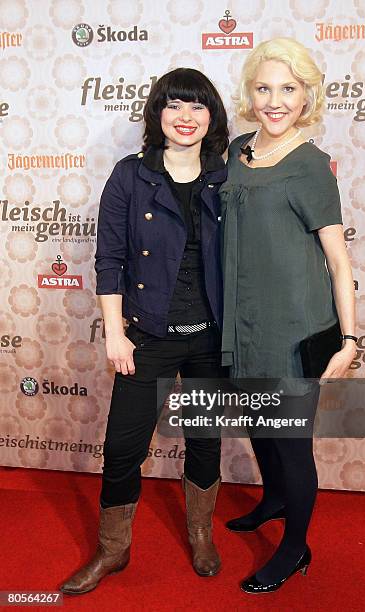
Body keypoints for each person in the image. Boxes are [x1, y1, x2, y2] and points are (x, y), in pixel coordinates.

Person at [60, 68, 229, 595]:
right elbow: (108, 257)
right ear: (158, 114)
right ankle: (113, 550)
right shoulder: (130, 175)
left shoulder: (228, 176)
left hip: (210, 337)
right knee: (122, 448)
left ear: (212, 116)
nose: (186, 117)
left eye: (197, 106)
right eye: (174, 105)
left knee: (204, 441)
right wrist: (115, 331)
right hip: (147, 335)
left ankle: (200, 531)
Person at [219, 38, 357, 594]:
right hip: (241, 320)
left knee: (291, 441)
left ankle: (296, 547)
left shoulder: (311, 166)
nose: (275, 101)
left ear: (307, 95)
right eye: (264, 88)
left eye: (289, 89)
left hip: (295, 327)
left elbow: (338, 257)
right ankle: (272, 499)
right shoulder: (236, 150)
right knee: (257, 423)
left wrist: (349, 339)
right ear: (250, 94)